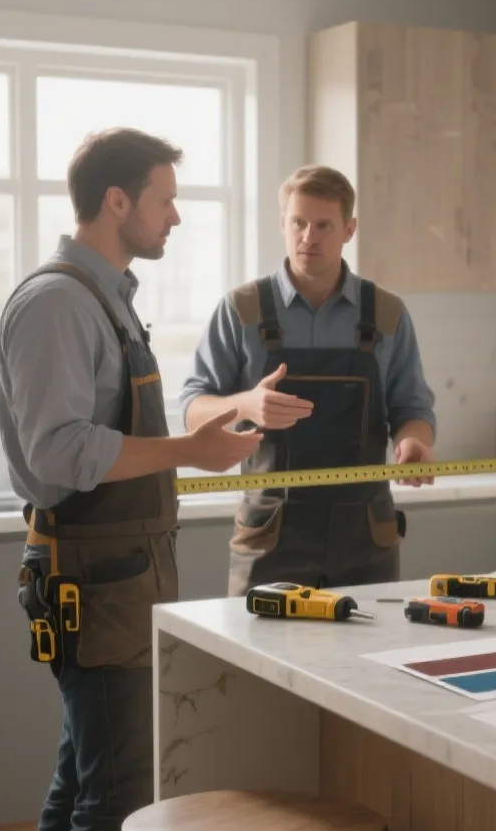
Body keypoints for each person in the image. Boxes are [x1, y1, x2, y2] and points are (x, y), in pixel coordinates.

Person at [0, 127, 263, 831]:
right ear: (117, 202)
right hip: (91, 579)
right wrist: (188, 449)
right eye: (165, 198)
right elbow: (60, 450)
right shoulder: (57, 303)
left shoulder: (103, 296)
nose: (176, 217)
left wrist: (219, 422)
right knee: (112, 796)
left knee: (82, 779)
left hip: (117, 573)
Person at [180, 164, 438, 594]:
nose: (308, 237)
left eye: (323, 225)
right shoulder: (240, 308)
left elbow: (413, 408)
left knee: (363, 659)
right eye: (298, 223)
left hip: (366, 536)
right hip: (269, 534)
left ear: (349, 229)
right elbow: (191, 408)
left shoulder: (388, 313)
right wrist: (245, 405)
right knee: (254, 658)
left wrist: (414, 440)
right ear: (283, 223)